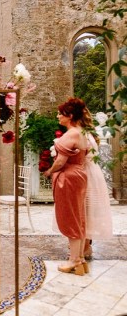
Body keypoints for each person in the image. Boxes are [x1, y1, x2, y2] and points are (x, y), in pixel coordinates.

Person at [43, 98, 88, 275]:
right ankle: (80, 259)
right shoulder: (81, 131)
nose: (57, 116)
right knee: (78, 216)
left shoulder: (72, 134)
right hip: (79, 175)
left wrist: (49, 171)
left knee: (70, 217)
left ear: (69, 116)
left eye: (60, 114)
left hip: (69, 177)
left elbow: (61, 161)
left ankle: (74, 260)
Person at [79, 108, 113, 259]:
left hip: (86, 174)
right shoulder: (90, 134)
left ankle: (85, 246)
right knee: (88, 211)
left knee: (86, 210)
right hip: (92, 173)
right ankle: (85, 246)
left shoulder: (83, 135)